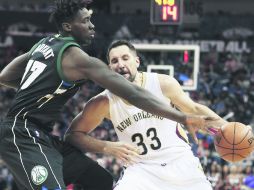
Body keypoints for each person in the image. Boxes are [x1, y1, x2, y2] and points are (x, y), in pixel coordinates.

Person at [0, 1, 218, 190]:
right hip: (20, 134)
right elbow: (133, 93)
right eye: (85, 21)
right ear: (68, 26)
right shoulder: (79, 59)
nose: (92, 25)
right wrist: (182, 117)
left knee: (100, 180)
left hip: (43, 136)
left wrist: (39, 84)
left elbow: (5, 76)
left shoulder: (43, 44)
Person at [65, 40, 228, 190]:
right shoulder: (103, 102)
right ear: (109, 68)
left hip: (180, 161)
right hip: (140, 170)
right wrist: (107, 147)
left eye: (125, 58)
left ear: (136, 62)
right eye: (114, 61)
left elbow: (193, 109)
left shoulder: (162, 83)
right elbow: (73, 135)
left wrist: (227, 128)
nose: (120, 64)